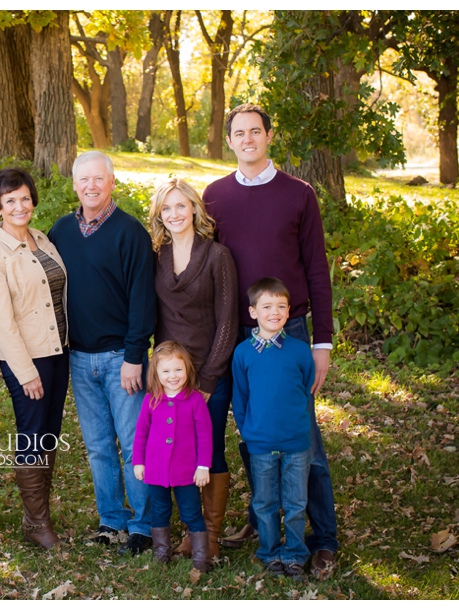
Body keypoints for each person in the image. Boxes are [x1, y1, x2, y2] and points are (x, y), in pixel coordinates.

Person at [203, 103, 338, 580]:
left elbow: (317, 270)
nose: (247, 140)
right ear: (230, 140)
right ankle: (264, 523)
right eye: (238, 133)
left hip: (291, 331)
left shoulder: (298, 194)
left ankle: (323, 539)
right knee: (253, 434)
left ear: (268, 136)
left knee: (306, 439)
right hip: (239, 334)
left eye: (255, 132)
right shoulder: (215, 195)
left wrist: (322, 341)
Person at [49, 151, 156, 555]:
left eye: (99, 179)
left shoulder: (130, 233)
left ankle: (143, 525)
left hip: (120, 359)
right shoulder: (60, 231)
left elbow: (143, 300)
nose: (91, 186)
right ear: (74, 184)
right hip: (78, 357)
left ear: (112, 182)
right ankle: (111, 520)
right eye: (84, 180)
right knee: (97, 446)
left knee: (133, 446)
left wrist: (134, 355)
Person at [0, 167, 69, 550]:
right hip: (28, 360)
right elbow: (2, 323)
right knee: (32, 434)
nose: (19, 205)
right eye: (10, 200)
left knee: (49, 432)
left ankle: (40, 514)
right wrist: (25, 371)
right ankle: (35, 523)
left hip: (59, 352)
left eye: (25, 198)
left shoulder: (42, 239)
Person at [147, 177, 238, 560]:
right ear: (158, 215)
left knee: (208, 449)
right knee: (175, 452)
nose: (174, 214)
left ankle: (210, 535)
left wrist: (208, 380)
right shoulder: (158, 255)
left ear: (195, 209)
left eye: (181, 206)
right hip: (169, 379)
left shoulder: (218, 256)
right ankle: (187, 530)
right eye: (166, 208)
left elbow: (228, 322)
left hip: (207, 374)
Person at [231, 278, 315, 582]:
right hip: (260, 442)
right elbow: (239, 398)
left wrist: (295, 424)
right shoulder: (243, 354)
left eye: (281, 306)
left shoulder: (299, 350)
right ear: (253, 312)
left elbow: (305, 389)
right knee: (265, 502)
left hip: (296, 442)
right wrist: (248, 430)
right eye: (267, 306)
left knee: (295, 502)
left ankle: (294, 553)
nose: (274, 312)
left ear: (289, 310)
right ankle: (269, 552)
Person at [133, 342, 213, 573]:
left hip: (187, 471)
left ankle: (201, 558)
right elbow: (141, 433)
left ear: (187, 370)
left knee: (191, 512)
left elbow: (205, 436)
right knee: (159, 510)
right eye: (166, 371)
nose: (173, 376)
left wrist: (203, 466)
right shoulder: (151, 400)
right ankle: (162, 554)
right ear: (156, 373)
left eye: (178, 370)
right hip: (156, 470)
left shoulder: (195, 400)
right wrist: (139, 461)